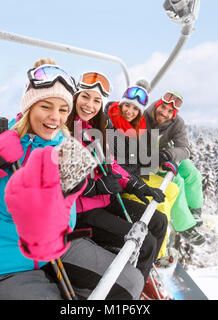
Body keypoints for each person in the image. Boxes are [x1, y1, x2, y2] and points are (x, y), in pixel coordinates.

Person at [0, 59, 144, 300]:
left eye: (63, 110)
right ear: (29, 105)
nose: (55, 118)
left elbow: (65, 224)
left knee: (131, 282)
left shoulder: (67, 150)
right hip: (8, 264)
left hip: (55, 252)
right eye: (46, 106)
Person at [65, 71, 168, 282]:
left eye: (96, 100)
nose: (89, 105)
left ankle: (143, 273)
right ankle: (131, 287)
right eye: (85, 97)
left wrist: (134, 185)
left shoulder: (93, 128)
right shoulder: (65, 130)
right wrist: (96, 187)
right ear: (75, 97)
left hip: (103, 201)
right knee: (145, 242)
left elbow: (110, 163)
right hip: (82, 211)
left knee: (159, 221)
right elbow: (64, 180)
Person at [103, 83, 182, 258]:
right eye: (127, 105)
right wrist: (134, 183)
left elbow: (141, 156)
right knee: (161, 205)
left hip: (136, 174)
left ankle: (162, 244)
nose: (129, 111)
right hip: (123, 182)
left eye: (135, 108)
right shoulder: (109, 123)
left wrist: (161, 162)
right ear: (121, 104)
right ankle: (158, 254)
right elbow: (112, 162)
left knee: (173, 188)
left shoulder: (138, 126)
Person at [144, 90, 205, 246]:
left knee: (192, 173)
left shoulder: (177, 123)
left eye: (170, 111)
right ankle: (184, 226)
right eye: (163, 107)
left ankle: (194, 209)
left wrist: (168, 154)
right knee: (175, 181)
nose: (164, 113)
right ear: (158, 104)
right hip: (150, 160)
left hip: (167, 154)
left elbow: (184, 149)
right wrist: (157, 159)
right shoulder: (144, 117)